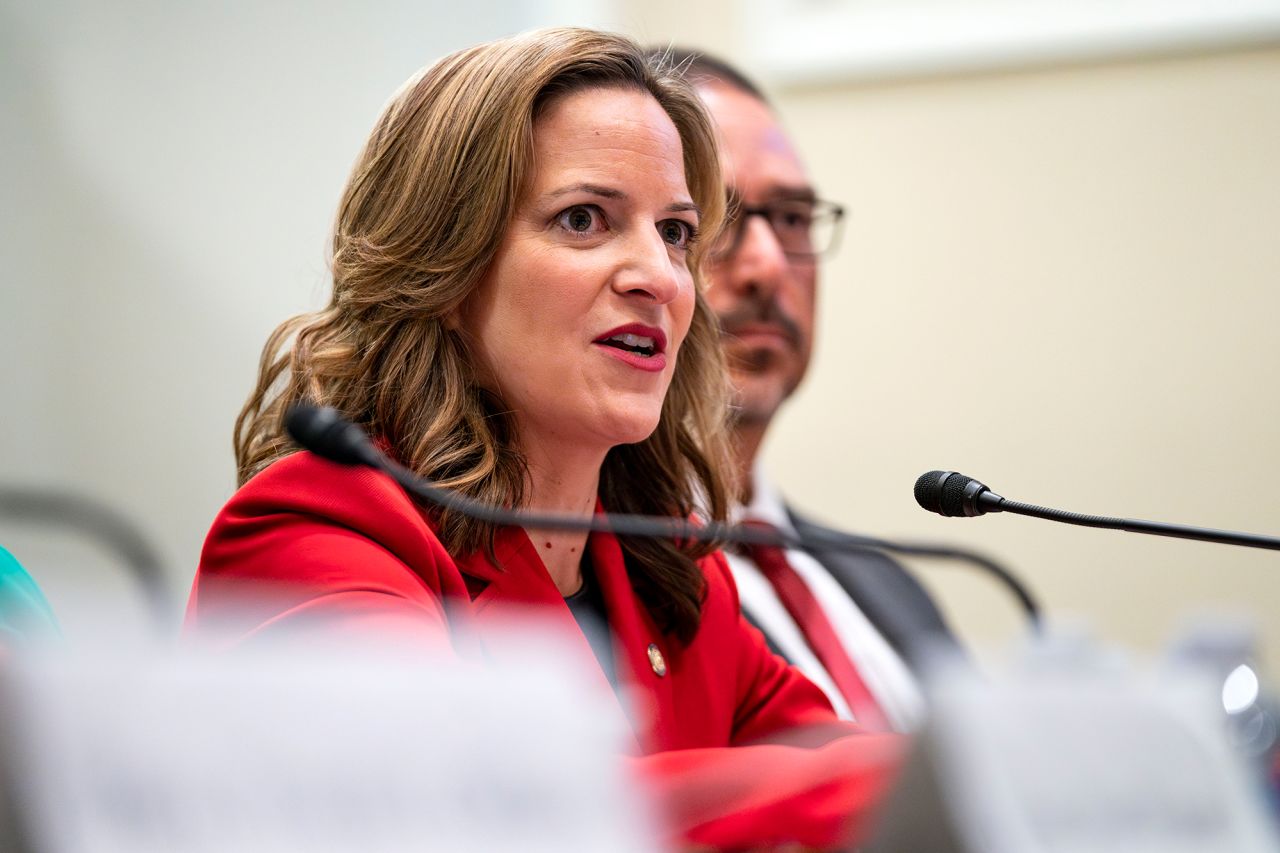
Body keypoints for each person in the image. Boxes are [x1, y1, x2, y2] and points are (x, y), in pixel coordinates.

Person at [186, 28, 901, 851]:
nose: (661, 277)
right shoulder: (315, 533)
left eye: (674, 231)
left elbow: (842, 768)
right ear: (446, 267)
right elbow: (487, 812)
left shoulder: (672, 574)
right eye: (585, 219)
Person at [661, 48, 960, 732]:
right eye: (717, 215)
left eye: (793, 218)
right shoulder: (600, 574)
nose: (767, 265)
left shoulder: (889, 581)